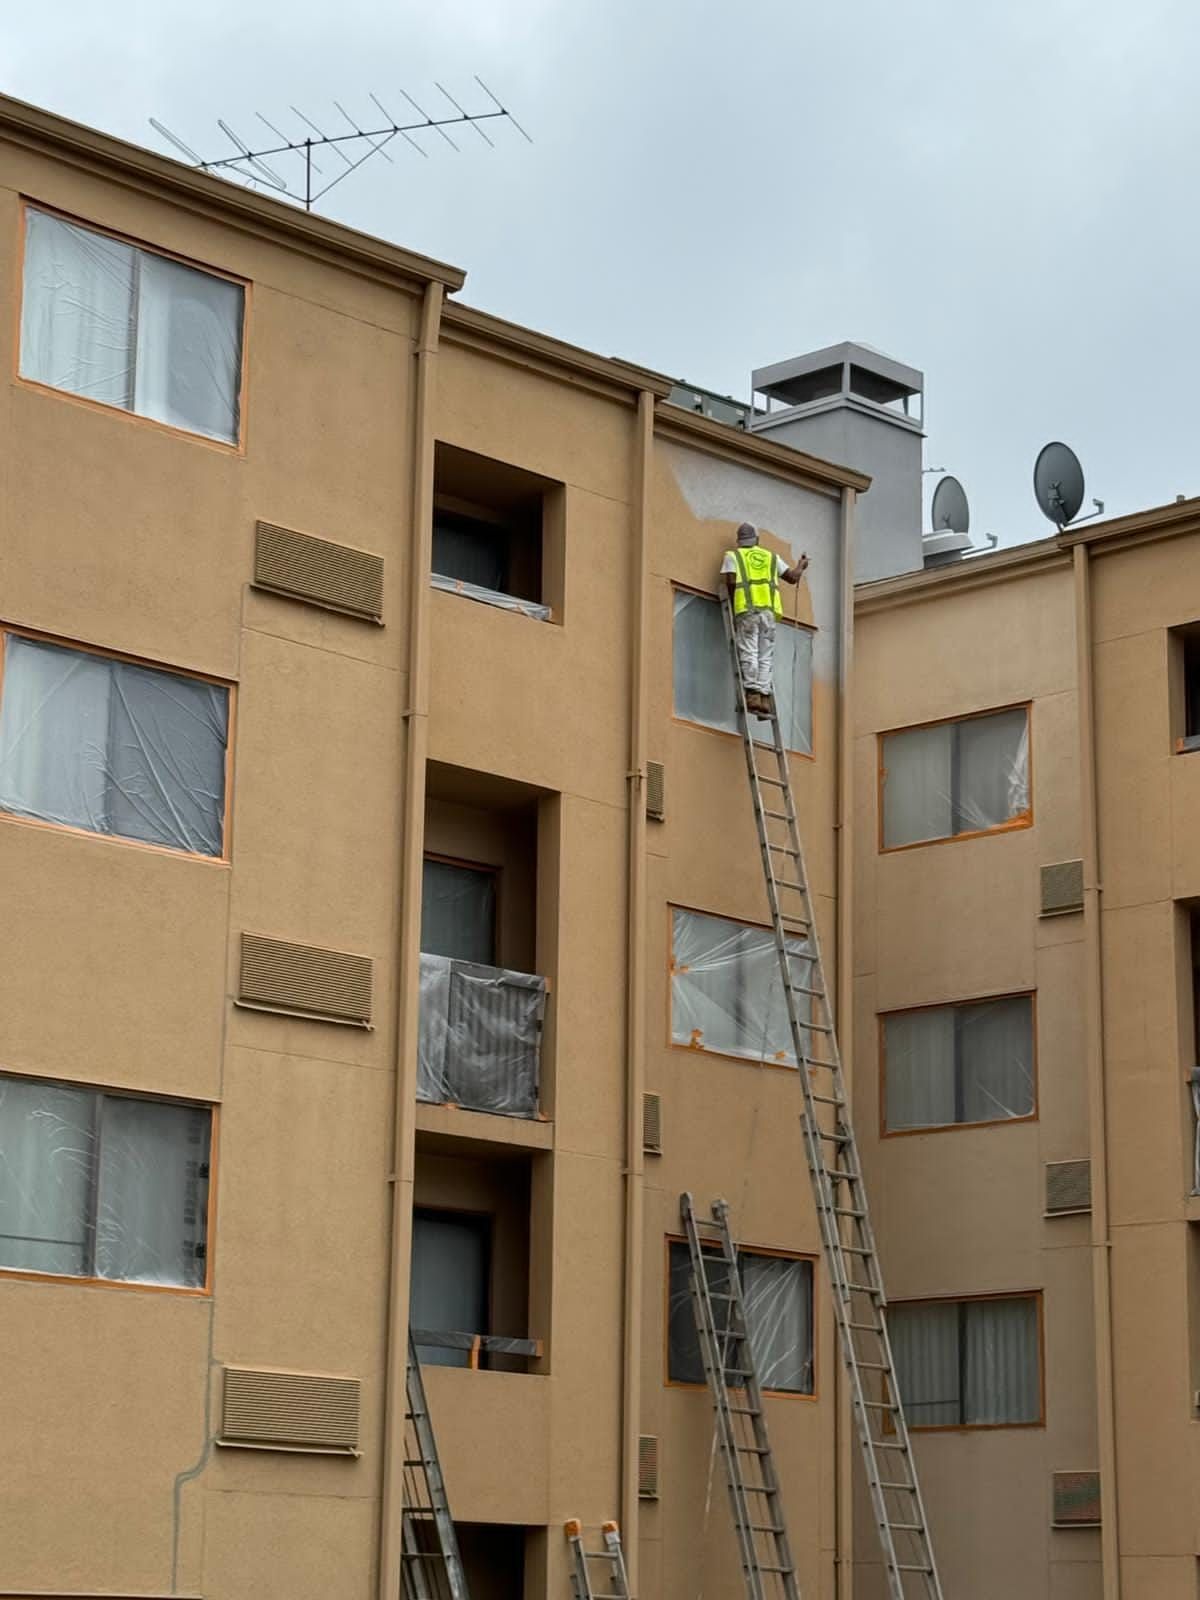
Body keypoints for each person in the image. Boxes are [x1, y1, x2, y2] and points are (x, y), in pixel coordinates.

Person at [721, 523, 808, 717]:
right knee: (765, 654)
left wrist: (734, 610)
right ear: (757, 540)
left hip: (747, 611)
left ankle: (752, 695)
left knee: (749, 650)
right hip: (769, 614)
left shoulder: (733, 556)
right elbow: (793, 577)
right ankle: (764, 698)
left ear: (739, 542)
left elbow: (730, 583)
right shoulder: (771, 557)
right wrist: (801, 565)